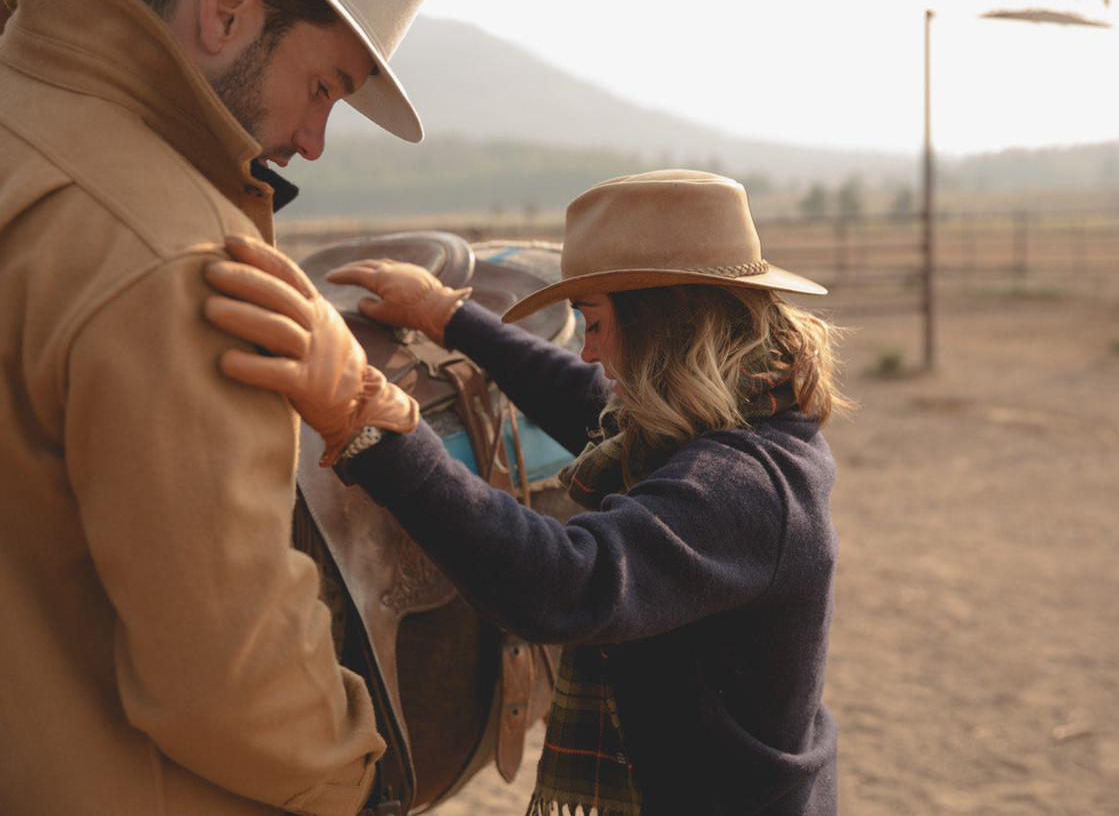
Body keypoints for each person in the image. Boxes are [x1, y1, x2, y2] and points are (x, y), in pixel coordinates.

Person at [203, 169, 852, 814]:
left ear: (666, 327)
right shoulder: (730, 421)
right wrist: (449, 318)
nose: (589, 352)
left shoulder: (751, 486)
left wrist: (376, 424)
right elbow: (586, 402)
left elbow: (568, 584)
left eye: (595, 325)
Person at [0, 0, 444, 813]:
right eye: (321, 87)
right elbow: (230, 675)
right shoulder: (185, 263)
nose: (314, 139)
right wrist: (356, 778)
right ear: (229, 7)